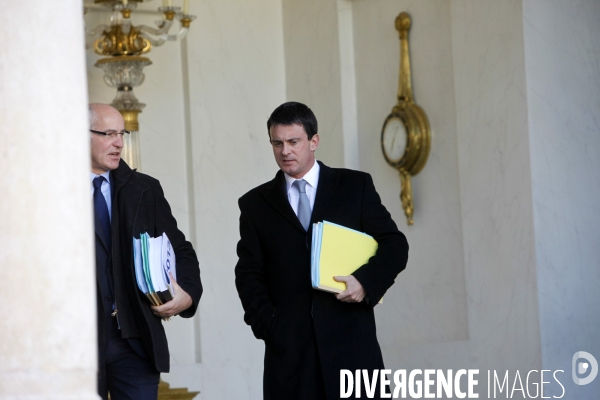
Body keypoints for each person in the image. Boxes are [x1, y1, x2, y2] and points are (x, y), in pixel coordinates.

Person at [234, 101, 409, 399]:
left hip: (352, 351)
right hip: (290, 359)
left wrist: (365, 282)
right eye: (277, 143)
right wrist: (272, 327)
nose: (285, 151)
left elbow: (395, 245)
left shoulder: (355, 186)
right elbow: (249, 275)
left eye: (293, 141)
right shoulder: (254, 205)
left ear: (314, 141)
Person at [89, 103, 202, 400]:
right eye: (108, 134)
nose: (118, 143)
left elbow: (181, 250)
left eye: (121, 133)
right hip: (76, 344)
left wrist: (186, 295)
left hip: (134, 341)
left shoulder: (144, 189)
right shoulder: (52, 190)